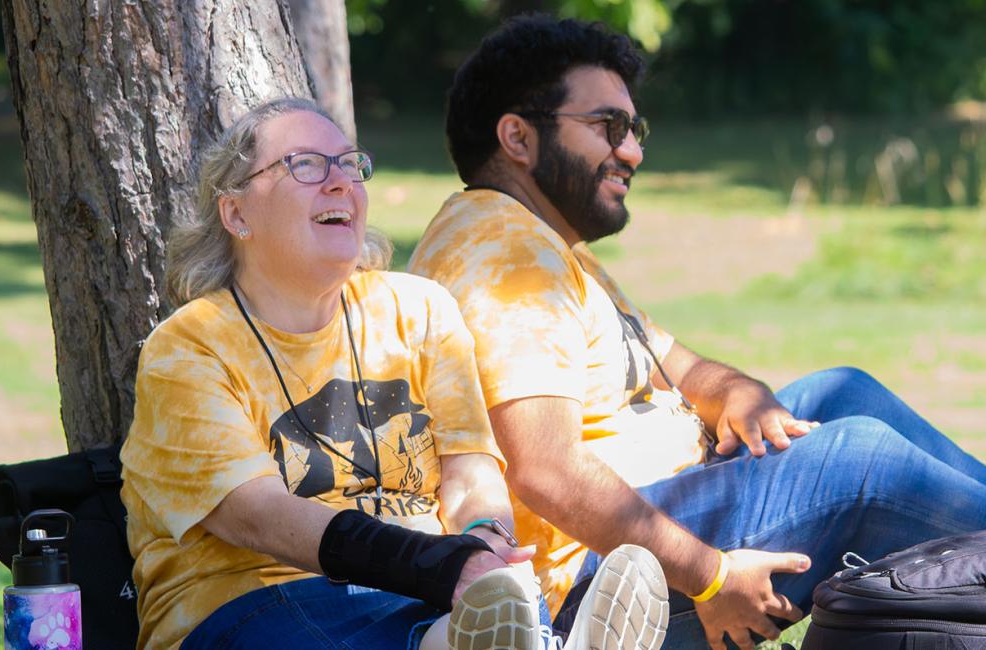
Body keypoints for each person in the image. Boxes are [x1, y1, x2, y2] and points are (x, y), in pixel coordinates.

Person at [407, 16, 986, 650]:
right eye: (607, 127)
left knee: (842, 392)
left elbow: (678, 366)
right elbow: (544, 471)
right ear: (517, 139)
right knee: (856, 462)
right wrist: (711, 576)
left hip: (658, 512)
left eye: (634, 128)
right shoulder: (504, 257)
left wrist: (739, 394)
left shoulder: (545, 244)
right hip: (587, 590)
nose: (631, 150)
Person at [119, 97, 669, 650]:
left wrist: (484, 546)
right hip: (251, 603)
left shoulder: (418, 311)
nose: (341, 184)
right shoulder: (188, 349)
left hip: (416, 593)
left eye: (350, 165)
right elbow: (257, 517)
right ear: (236, 213)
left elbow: (471, 473)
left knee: (461, 625)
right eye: (305, 164)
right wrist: (435, 565)